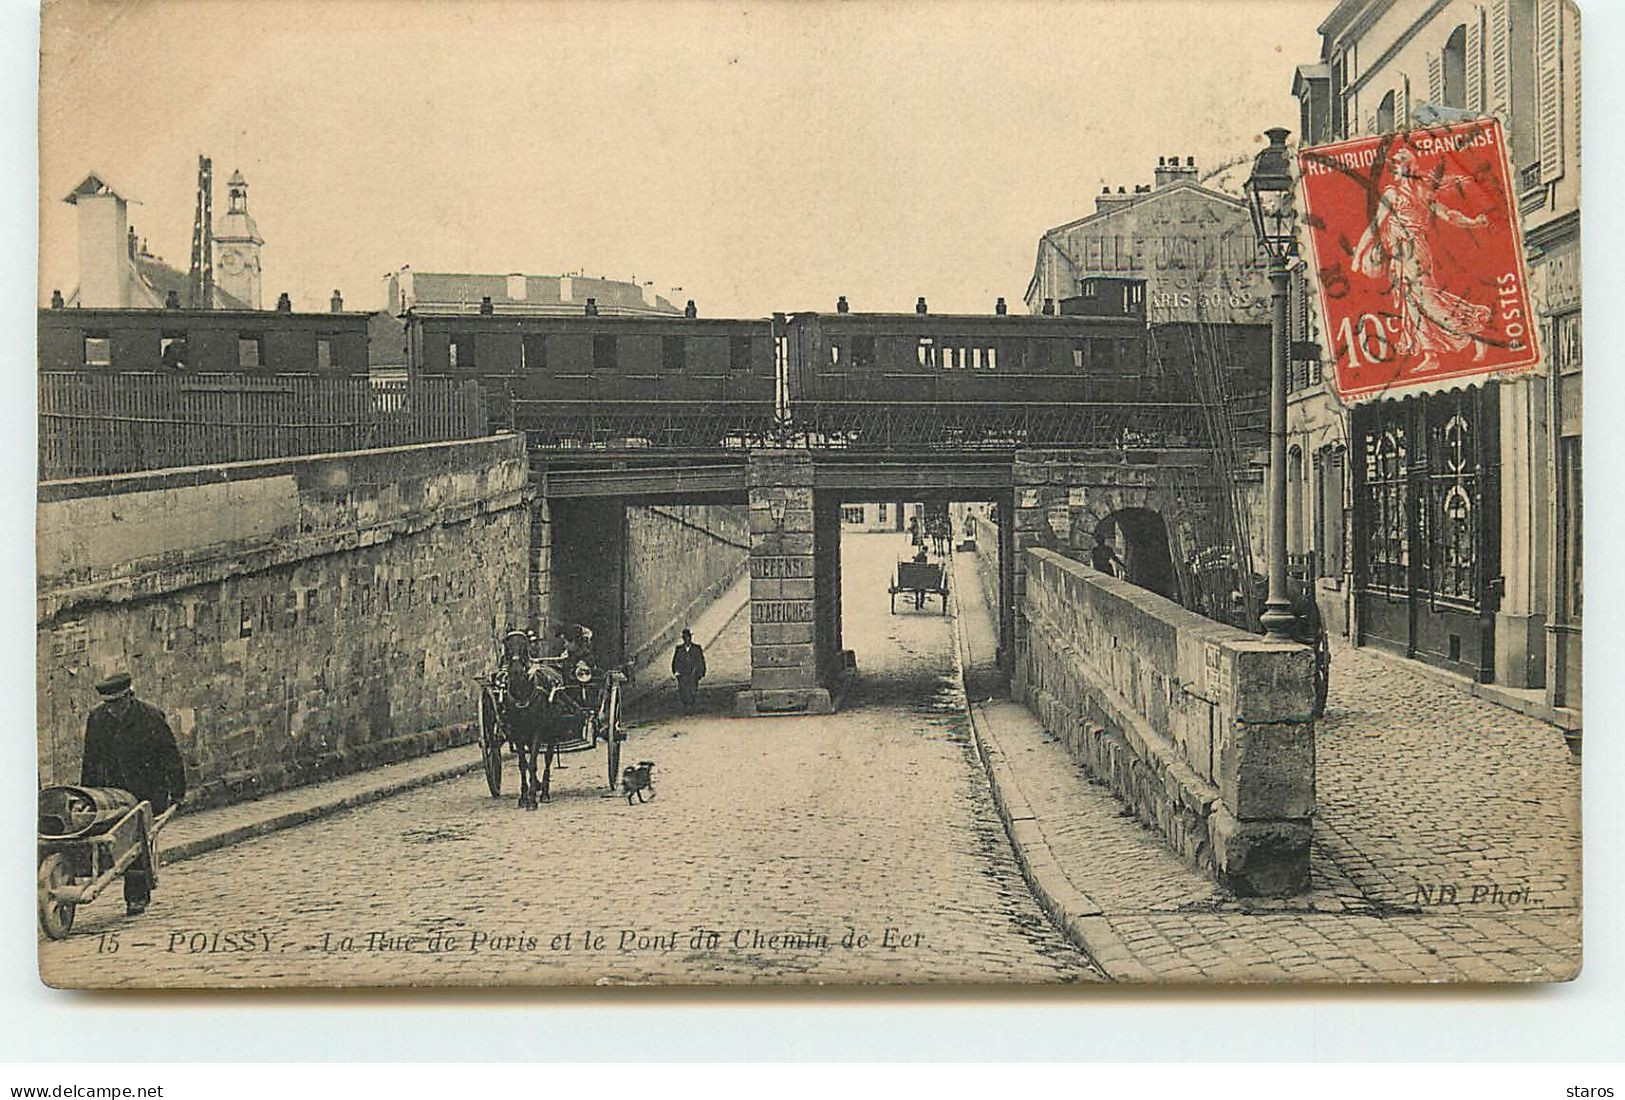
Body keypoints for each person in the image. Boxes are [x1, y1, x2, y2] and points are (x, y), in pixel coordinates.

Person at [79, 672, 186, 917]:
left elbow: (171, 756)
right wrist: (86, 795)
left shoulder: (151, 717)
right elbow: (90, 759)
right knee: (114, 838)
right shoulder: (97, 719)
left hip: (147, 790)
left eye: (117, 703)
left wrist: (178, 792)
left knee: (136, 840)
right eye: (109, 704)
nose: (113, 709)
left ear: (130, 696)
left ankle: (136, 897)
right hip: (111, 792)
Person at [671, 628, 706, 712]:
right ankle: (686, 706)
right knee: (683, 691)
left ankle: (691, 706)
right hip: (682, 674)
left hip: (693, 674)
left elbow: (701, 661)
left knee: (692, 690)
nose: (687, 639)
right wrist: (676, 672)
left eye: (688, 637)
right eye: (685, 638)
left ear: (691, 638)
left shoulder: (696, 648)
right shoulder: (679, 649)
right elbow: (675, 661)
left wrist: (701, 672)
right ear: (683, 639)